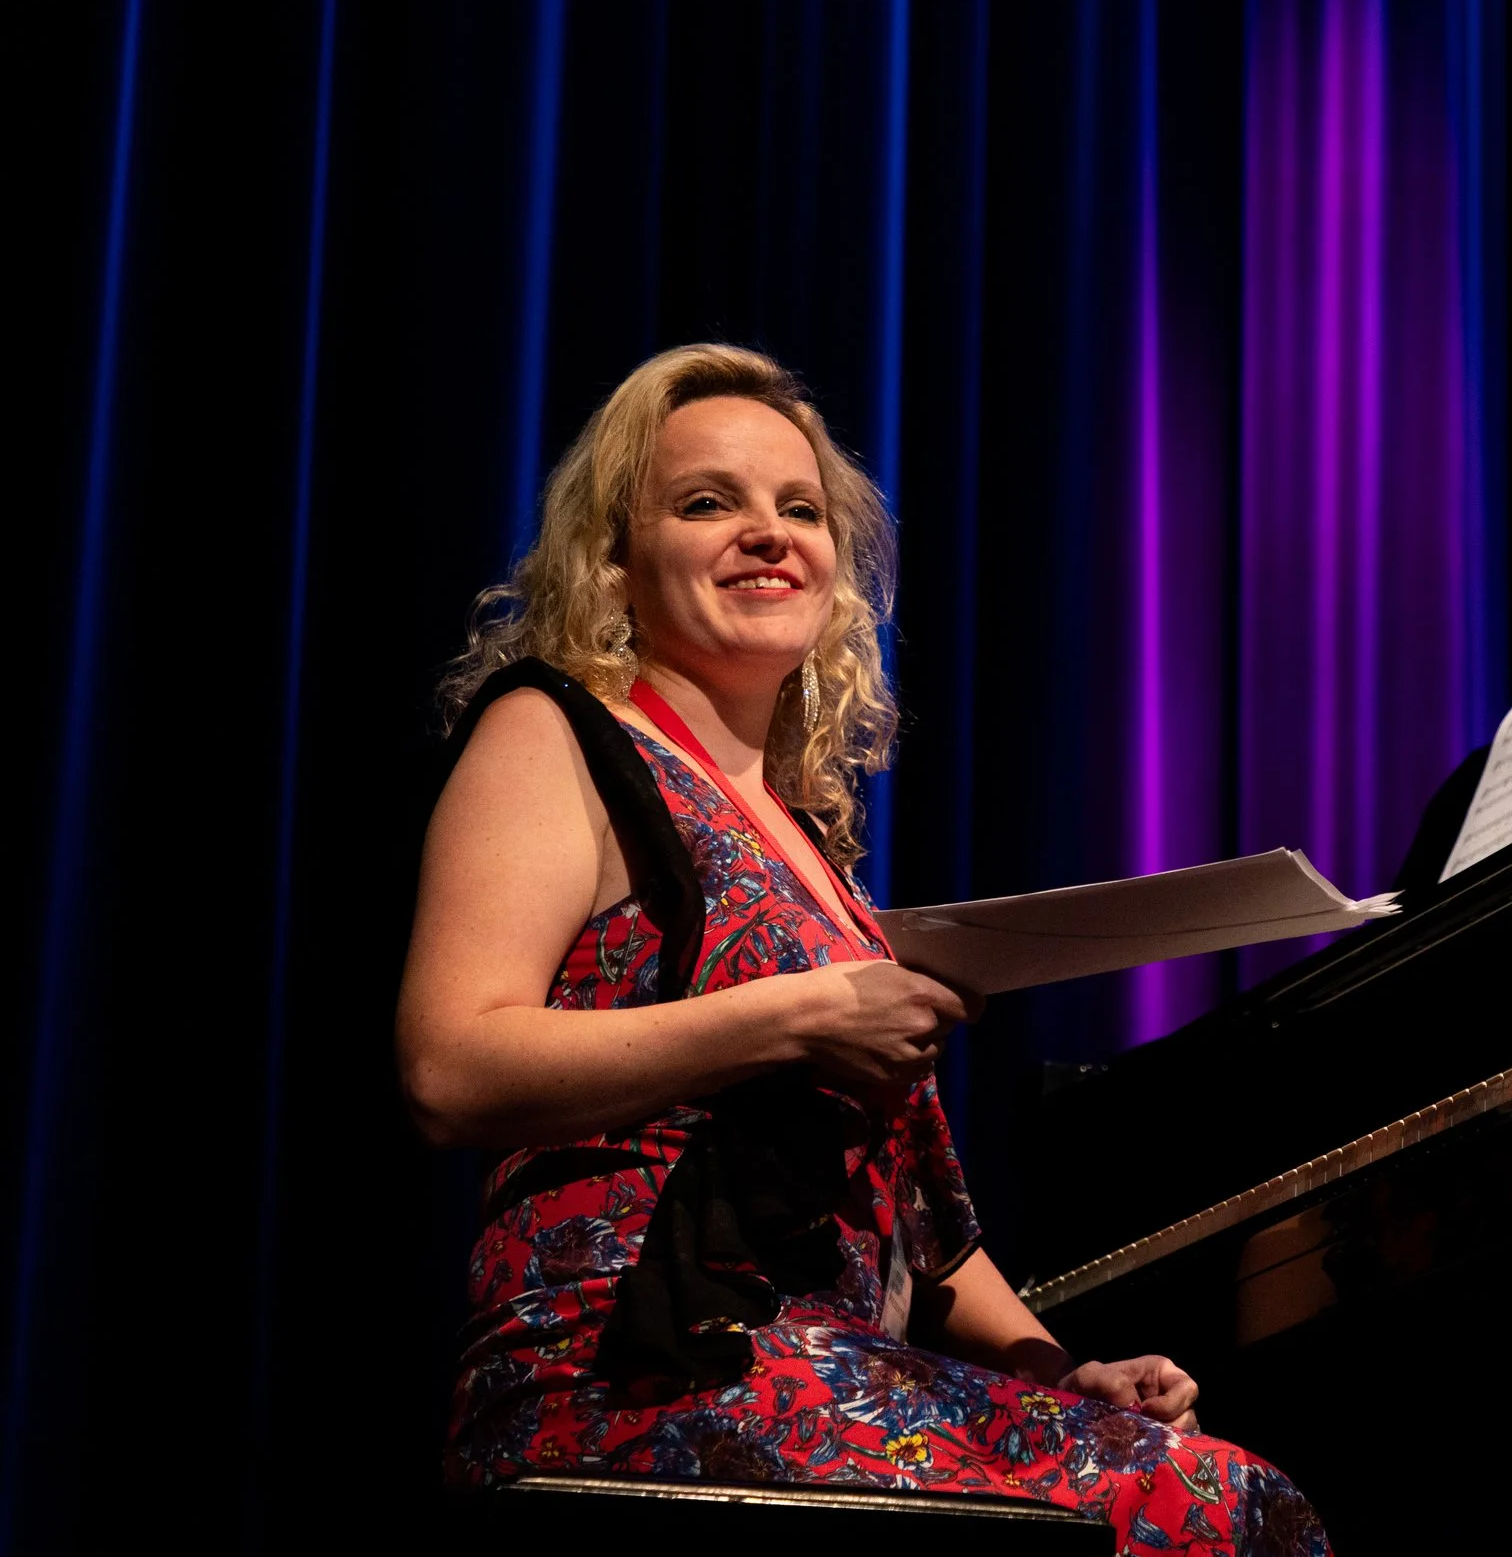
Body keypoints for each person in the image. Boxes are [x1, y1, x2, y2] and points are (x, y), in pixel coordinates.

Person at [399, 343, 1329, 1554]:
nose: (768, 533)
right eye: (706, 502)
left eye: (799, 509)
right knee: (1220, 1511)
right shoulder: (556, 731)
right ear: (615, 562)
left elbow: (922, 1222)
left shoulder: (806, 844)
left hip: (826, 1357)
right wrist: (794, 1015)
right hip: (636, 1365)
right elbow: (448, 1065)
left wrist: (1061, 1369)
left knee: (1219, 1485)